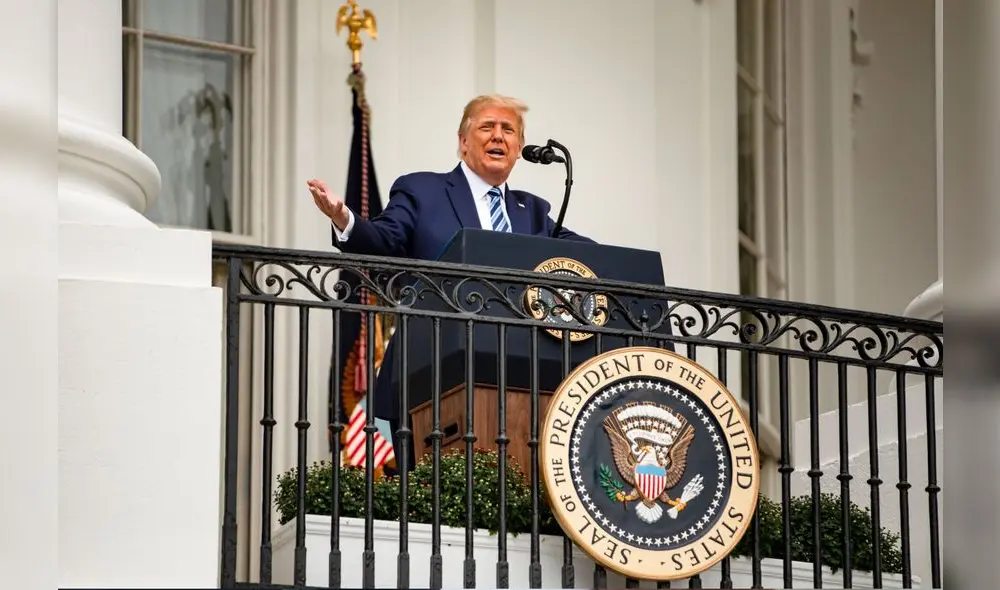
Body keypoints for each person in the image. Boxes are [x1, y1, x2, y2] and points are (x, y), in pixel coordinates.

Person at [307, 94, 593, 258]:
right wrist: (344, 217)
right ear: (463, 142)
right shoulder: (422, 190)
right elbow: (382, 240)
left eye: (508, 130)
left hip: (514, 354)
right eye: (486, 127)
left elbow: (592, 257)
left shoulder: (533, 212)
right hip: (439, 349)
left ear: (519, 148)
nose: (497, 136)